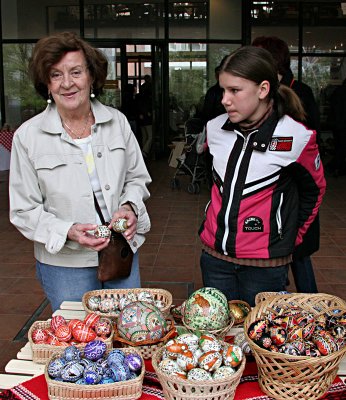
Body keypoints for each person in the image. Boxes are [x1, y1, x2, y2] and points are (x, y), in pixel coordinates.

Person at [9, 32, 151, 312]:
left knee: (128, 331)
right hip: (65, 265)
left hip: (120, 250)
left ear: (91, 77)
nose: (67, 83)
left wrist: (129, 205)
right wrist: (68, 231)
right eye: (56, 74)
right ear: (46, 84)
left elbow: (137, 178)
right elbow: (23, 211)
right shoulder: (28, 136)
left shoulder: (117, 122)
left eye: (76, 72)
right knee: (77, 341)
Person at [199, 46, 326, 306]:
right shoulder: (214, 129)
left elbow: (314, 190)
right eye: (223, 90)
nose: (224, 99)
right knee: (220, 338)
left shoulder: (296, 137)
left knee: (257, 339)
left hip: (265, 266)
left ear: (263, 89)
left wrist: (291, 236)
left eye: (234, 90)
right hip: (215, 259)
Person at [252, 36, 321, 293]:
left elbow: (308, 140)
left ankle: (309, 310)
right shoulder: (257, 90)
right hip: (268, 192)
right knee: (274, 260)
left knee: (299, 255)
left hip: (293, 189)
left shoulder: (300, 92)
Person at [328, 78, 346, 176]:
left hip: (336, 125)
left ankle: (336, 167)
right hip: (342, 125)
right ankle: (337, 168)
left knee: (339, 147)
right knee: (342, 148)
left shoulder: (337, 92)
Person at [136, 74, 153, 158]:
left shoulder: (139, 97)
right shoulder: (148, 97)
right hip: (147, 118)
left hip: (141, 119)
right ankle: (145, 151)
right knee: (150, 136)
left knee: (144, 136)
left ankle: (143, 151)